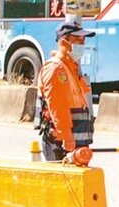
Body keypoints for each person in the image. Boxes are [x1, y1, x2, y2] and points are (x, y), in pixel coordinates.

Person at [36, 16, 95, 166]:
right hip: (62, 143)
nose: (83, 44)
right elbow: (57, 103)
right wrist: (66, 136)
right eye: (78, 41)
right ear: (64, 42)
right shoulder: (58, 70)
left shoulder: (69, 69)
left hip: (75, 142)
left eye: (84, 41)